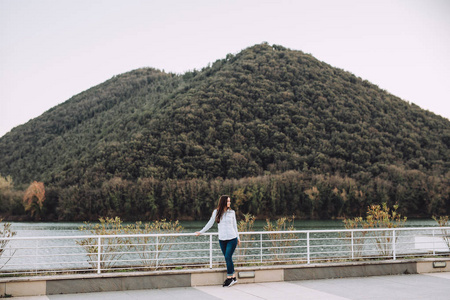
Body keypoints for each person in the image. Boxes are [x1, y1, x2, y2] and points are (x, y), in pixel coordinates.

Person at [196, 195, 241, 287]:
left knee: (228, 257)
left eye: (230, 201)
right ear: (224, 202)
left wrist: (238, 237)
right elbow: (210, 223)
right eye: (228, 201)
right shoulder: (216, 212)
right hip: (222, 239)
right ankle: (233, 277)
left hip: (232, 238)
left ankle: (229, 278)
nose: (229, 203)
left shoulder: (232, 212)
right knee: (228, 258)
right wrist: (201, 232)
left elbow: (235, 226)